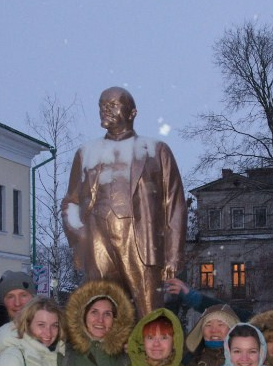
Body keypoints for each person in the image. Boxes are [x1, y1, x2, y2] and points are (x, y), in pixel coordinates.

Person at [61, 86, 187, 315]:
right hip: (97, 238)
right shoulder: (86, 152)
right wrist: (79, 235)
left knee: (149, 314)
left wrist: (173, 255)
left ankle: (150, 351)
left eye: (112, 105)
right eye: (101, 105)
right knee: (100, 315)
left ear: (132, 112)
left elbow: (174, 204)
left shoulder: (156, 151)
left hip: (141, 243)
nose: (105, 110)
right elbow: (71, 201)